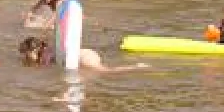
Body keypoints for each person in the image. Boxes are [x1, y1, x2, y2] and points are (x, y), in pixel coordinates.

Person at [18, 37, 148, 72]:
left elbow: (42, 67)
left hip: (83, 58)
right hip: (85, 53)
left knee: (108, 71)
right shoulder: (48, 51)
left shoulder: (45, 57)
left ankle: (136, 66)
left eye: (26, 54)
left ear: (34, 50)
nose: (25, 57)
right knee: (106, 70)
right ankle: (137, 65)